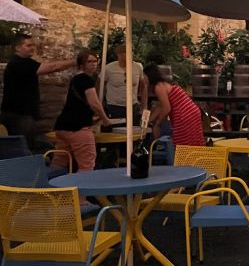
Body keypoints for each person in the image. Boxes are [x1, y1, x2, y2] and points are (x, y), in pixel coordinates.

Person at [51, 50, 112, 196]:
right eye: (89, 62)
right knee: (86, 164)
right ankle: (80, 199)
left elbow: (72, 103)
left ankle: (51, 193)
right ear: (81, 64)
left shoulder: (75, 79)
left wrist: (91, 118)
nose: (93, 65)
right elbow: (94, 103)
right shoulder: (86, 79)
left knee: (59, 162)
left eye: (94, 61)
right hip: (77, 128)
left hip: (62, 126)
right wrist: (105, 120)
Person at [0, 33, 75, 148]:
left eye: (33, 45)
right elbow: (53, 67)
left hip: (20, 113)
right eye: (28, 45)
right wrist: (76, 62)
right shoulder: (19, 63)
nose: (32, 48)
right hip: (19, 115)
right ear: (17, 47)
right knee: (22, 147)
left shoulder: (24, 62)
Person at [143, 64, 204, 147]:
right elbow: (160, 106)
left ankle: (185, 158)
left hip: (184, 114)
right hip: (192, 111)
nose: (144, 79)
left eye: (144, 76)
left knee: (183, 141)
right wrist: (148, 120)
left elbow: (166, 108)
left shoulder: (158, 87)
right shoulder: (162, 85)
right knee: (192, 139)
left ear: (149, 76)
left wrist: (158, 123)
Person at [102, 43, 148, 123]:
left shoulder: (138, 67)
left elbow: (143, 87)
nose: (125, 55)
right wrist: (101, 104)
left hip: (132, 105)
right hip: (114, 106)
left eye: (129, 52)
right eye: (123, 53)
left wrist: (143, 107)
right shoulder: (109, 68)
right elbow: (100, 86)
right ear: (118, 55)